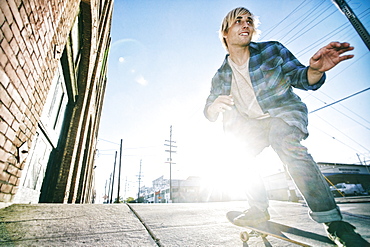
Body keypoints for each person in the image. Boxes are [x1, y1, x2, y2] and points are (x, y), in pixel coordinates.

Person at [204, 7, 370, 247]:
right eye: (238, 21)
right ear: (225, 33)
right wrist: (213, 107)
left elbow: (302, 78)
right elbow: (208, 109)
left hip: (283, 115)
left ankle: (334, 223)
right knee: (239, 156)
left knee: (286, 144)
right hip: (251, 126)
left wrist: (314, 70)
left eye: (249, 20)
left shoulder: (272, 50)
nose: (246, 24)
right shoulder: (221, 75)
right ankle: (257, 209)